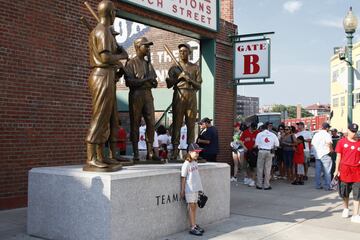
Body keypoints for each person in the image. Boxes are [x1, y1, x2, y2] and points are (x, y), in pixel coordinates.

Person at [85, 0, 128, 169]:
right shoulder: (102, 31)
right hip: (101, 75)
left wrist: (117, 64)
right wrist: (122, 55)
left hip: (107, 75)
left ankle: (102, 156)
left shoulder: (106, 32)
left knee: (108, 118)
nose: (115, 15)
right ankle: (91, 157)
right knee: (100, 116)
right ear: (111, 13)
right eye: (115, 12)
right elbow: (105, 58)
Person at [166, 43, 202, 160]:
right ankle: (175, 151)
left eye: (185, 51)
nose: (182, 53)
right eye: (180, 51)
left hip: (191, 94)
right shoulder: (174, 68)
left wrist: (190, 80)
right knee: (177, 123)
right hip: (179, 93)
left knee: (191, 124)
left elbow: (199, 85)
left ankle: (190, 151)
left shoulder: (195, 67)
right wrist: (179, 77)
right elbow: (168, 84)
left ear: (189, 53)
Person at [124, 37, 157, 161]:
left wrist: (149, 82)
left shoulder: (148, 64)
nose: (148, 49)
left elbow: (154, 82)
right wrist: (145, 81)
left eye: (148, 46)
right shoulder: (131, 63)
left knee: (151, 123)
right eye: (146, 46)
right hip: (136, 95)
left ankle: (150, 152)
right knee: (135, 123)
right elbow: (130, 82)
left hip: (148, 94)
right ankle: (136, 152)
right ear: (138, 47)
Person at [334, 123, 360, 223]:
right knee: (344, 193)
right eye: (352, 131)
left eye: (355, 131)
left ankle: (355, 214)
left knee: (357, 194)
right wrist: (336, 170)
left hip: (357, 172)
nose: (353, 133)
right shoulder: (341, 142)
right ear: (348, 130)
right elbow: (338, 157)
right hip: (345, 171)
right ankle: (346, 208)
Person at [180, 143, 205, 236]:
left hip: (195, 188)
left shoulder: (195, 162)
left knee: (195, 207)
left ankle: (195, 224)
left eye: (198, 152)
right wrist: (182, 190)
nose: (197, 154)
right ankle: (192, 226)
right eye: (196, 152)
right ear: (190, 152)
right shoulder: (186, 164)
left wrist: (200, 188)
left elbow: (196, 176)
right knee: (191, 207)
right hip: (189, 189)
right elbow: (183, 178)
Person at [254, 124, 279, 190]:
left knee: (259, 168)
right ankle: (266, 185)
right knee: (267, 169)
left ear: (262, 128)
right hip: (269, 152)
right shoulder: (273, 135)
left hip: (261, 151)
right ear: (267, 128)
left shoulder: (259, 134)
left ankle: (259, 185)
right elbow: (277, 145)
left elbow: (256, 145)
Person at [311, 122, 333, 190]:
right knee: (327, 171)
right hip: (325, 153)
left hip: (318, 154)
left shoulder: (316, 134)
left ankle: (318, 185)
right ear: (327, 128)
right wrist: (331, 150)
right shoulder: (327, 134)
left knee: (318, 171)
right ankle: (327, 186)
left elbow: (312, 144)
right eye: (328, 128)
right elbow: (329, 143)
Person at [240, 122, 259, 187]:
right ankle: (247, 178)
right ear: (250, 127)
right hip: (246, 152)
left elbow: (259, 142)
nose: (254, 130)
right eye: (253, 129)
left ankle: (253, 180)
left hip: (253, 152)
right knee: (244, 165)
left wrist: (256, 146)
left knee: (253, 167)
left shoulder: (257, 132)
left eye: (255, 129)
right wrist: (244, 147)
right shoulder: (245, 132)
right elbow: (241, 141)